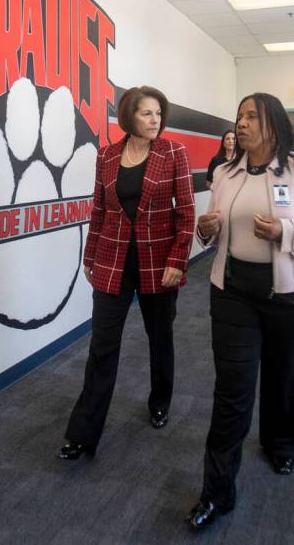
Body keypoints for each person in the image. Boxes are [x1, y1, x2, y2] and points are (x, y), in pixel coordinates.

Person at [186, 93, 294, 529]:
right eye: (238, 115)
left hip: (293, 294)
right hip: (234, 292)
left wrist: (287, 230)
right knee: (231, 391)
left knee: (286, 378)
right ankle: (217, 493)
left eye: (251, 116)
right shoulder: (225, 172)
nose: (241, 123)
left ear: (272, 124)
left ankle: (282, 445)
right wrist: (205, 229)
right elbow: (212, 230)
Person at [59, 86, 195, 460]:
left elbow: (186, 212)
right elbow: (99, 210)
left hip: (159, 261)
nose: (155, 121)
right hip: (113, 259)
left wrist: (177, 260)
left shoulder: (173, 153)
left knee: (159, 337)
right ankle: (83, 434)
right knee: (102, 347)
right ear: (129, 117)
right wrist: (89, 256)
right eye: (146, 114)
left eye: (158, 114)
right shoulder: (107, 155)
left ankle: (160, 401)